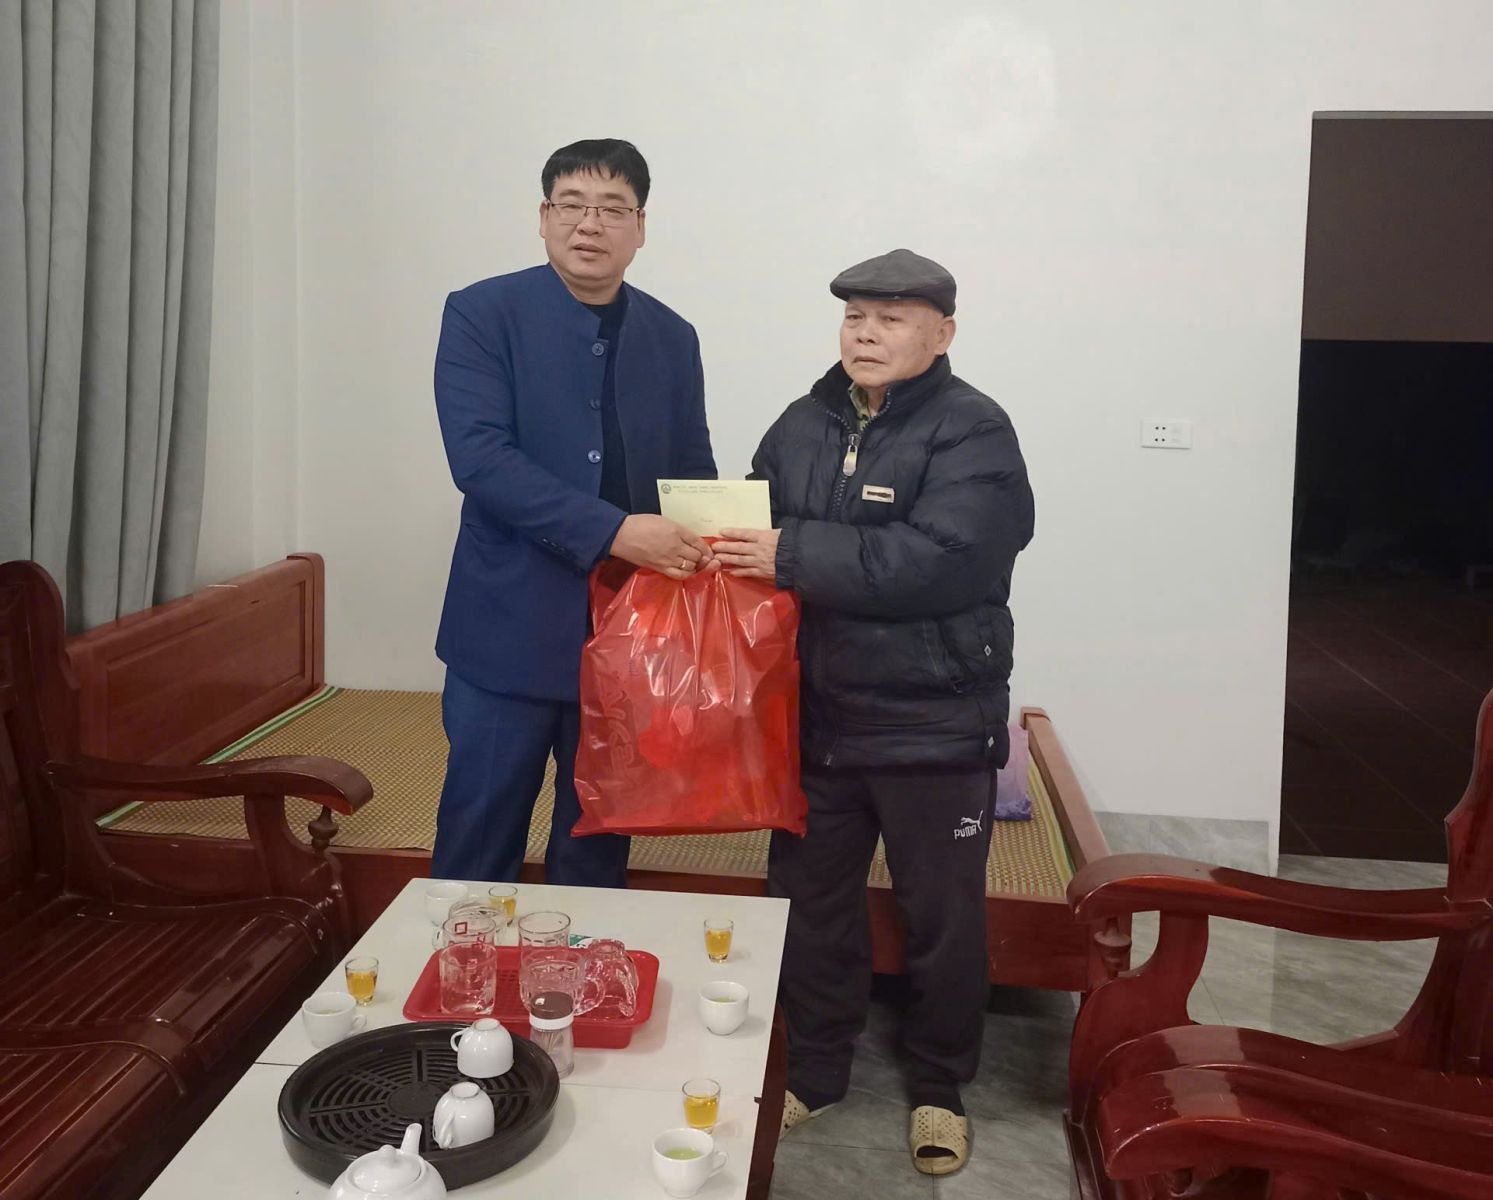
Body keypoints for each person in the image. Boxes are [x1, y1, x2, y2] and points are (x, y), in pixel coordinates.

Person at [714, 249, 1034, 1175]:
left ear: (942, 333)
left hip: (934, 724)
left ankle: (938, 1086)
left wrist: (789, 553)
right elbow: (752, 529)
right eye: (855, 315)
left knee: (942, 918)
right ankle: (816, 1070)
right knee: (808, 908)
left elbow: (946, 563)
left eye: (891, 317)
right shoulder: (801, 421)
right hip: (816, 719)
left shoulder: (974, 429)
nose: (866, 332)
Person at [431, 139, 716, 887]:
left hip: (628, 635)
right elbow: (480, 460)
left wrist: (716, 541)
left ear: (640, 226)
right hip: (507, 629)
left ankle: (582, 966)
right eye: (573, 205)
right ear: (544, 216)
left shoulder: (673, 335)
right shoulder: (482, 313)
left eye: (613, 209)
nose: (590, 224)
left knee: (597, 846)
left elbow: (690, 471)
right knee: (477, 839)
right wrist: (614, 531)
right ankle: (459, 967)